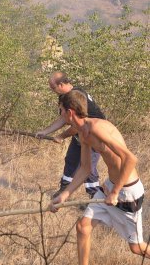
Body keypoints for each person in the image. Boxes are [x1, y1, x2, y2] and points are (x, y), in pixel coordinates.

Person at [50, 90, 148, 264]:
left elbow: (130, 159)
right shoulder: (83, 132)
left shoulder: (97, 127)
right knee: (82, 227)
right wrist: (65, 194)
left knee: (137, 248)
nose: (60, 115)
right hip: (109, 187)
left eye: (61, 111)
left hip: (127, 191)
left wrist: (116, 192)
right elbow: (86, 168)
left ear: (70, 112)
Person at [36, 72, 105, 198]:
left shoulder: (75, 97)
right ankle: (64, 190)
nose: (52, 91)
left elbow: (78, 124)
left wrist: (61, 136)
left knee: (89, 168)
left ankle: (94, 198)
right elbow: (64, 118)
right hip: (81, 134)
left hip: (95, 135)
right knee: (71, 160)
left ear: (61, 84)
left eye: (53, 88)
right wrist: (45, 132)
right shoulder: (64, 97)